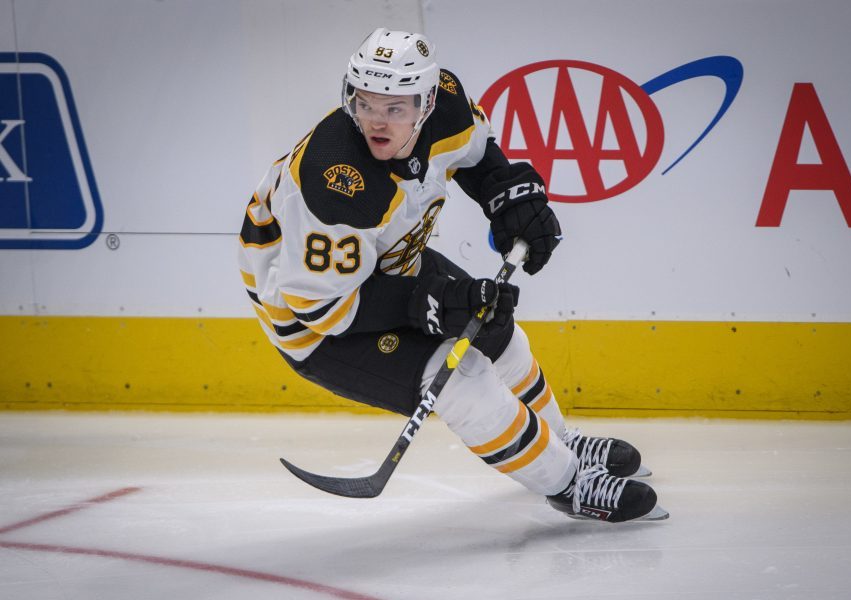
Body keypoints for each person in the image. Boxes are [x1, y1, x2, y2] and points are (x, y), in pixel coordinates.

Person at [238, 28, 665, 522]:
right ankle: (568, 484)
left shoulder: (447, 103)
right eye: (366, 104)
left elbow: (477, 155)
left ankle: (560, 442)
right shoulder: (336, 182)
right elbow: (323, 309)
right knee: (465, 376)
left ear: (425, 103)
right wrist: (432, 302)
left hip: (391, 260)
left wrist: (507, 198)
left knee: (496, 329)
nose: (376, 122)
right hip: (314, 322)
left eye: (395, 108)